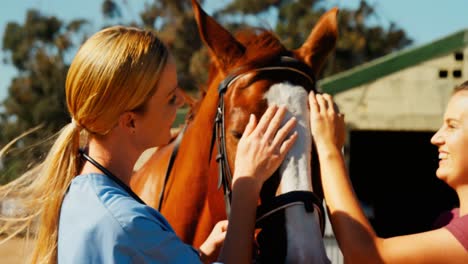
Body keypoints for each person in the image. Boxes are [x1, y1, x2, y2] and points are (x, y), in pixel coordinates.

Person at [0, 26, 298, 264]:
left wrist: (200, 255)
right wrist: (247, 183)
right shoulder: (125, 223)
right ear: (129, 122)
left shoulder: (80, 193)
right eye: (170, 98)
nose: (181, 101)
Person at [308, 83, 468, 263]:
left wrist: (329, 148)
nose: (436, 138)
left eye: (452, 126)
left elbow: (366, 256)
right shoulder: (447, 220)